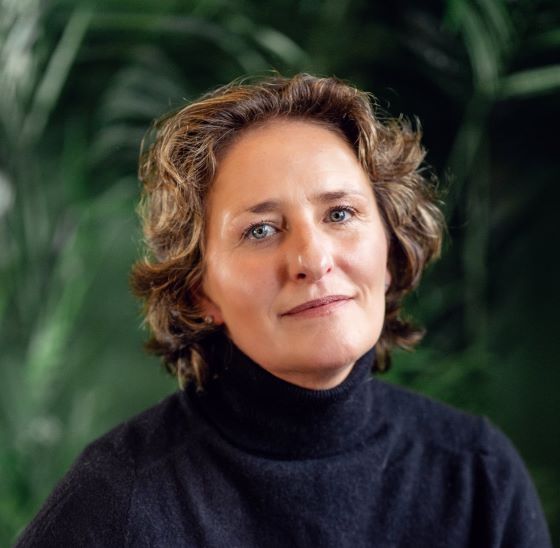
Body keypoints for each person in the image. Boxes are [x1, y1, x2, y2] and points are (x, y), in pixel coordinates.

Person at [16, 74, 551, 547]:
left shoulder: (476, 474)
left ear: (390, 250)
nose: (313, 260)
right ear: (199, 291)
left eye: (339, 214)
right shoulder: (117, 503)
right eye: (261, 230)